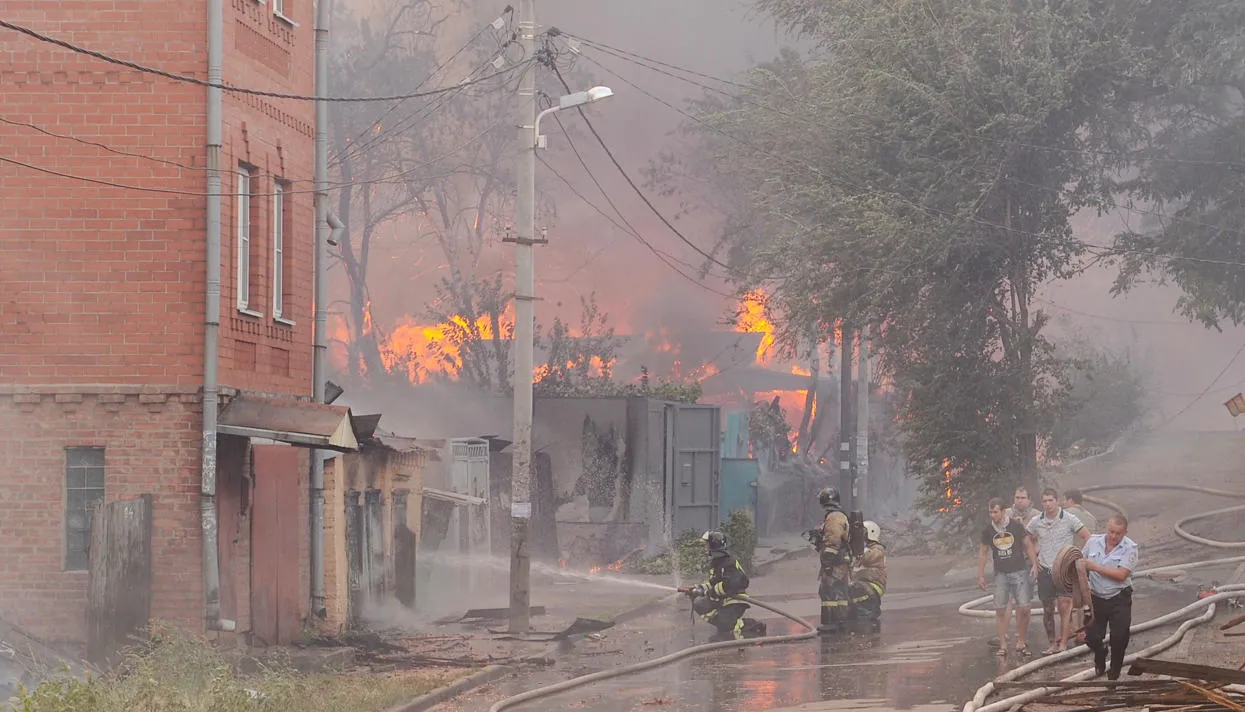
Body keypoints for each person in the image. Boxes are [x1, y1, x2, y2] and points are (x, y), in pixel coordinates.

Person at [1026, 487, 1090, 654]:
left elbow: (1087, 536)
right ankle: (1051, 644)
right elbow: (1027, 539)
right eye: (1044, 501)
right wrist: (1034, 561)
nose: (1048, 504)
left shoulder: (1069, 518)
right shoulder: (1036, 521)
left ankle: (1063, 643)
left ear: (1057, 501)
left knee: (1065, 605)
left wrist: (1076, 556)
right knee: (1047, 608)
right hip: (1045, 568)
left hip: (1064, 568)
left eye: (1050, 500)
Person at [1080, 514, 1138, 680]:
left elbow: (1121, 574)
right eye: (1111, 532)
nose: (1113, 536)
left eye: (1118, 534)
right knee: (1091, 637)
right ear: (1107, 528)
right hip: (1095, 598)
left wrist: (1095, 567)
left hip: (1119, 598)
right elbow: (1080, 563)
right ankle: (1100, 652)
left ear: (1125, 532)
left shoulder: (1130, 548)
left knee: (1119, 639)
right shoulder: (1092, 542)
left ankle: (1113, 676)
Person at [685, 530, 766, 640]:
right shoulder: (716, 562)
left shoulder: (729, 563)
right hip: (723, 598)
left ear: (714, 545)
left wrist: (711, 592)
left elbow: (731, 584)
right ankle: (725, 624)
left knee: (726, 622)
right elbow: (714, 582)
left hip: (735, 599)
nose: (705, 548)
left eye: (707, 545)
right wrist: (699, 588)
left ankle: (753, 626)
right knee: (699, 603)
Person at [978, 498, 1034, 657]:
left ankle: (1021, 641)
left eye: (995, 511)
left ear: (1003, 511)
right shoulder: (988, 531)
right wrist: (981, 575)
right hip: (1001, 573)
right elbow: (983, 553)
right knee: (1000, 608)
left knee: (1024, 607)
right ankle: (1003, 644)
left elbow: (1027, 545)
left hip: (1019, 570)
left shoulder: (1016, 526)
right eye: (990, 512)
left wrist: (1035, 564)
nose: (992, 515)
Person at [814, 486, 852, 633]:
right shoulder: (836, 515)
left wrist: (828, 562)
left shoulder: (834, 516)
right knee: (839, 591)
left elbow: (833, 541)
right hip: (840, 561)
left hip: (835, 562)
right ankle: (840, 621)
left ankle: (830, 623)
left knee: (829, 591)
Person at [848, 520, 887, 630]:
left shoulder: (878, 549)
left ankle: (864, 623)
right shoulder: (860, 550)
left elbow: (868, 557)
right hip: (863, 586)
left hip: (873, 586)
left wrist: (858, 548)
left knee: (856, 591)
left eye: (862, 534)